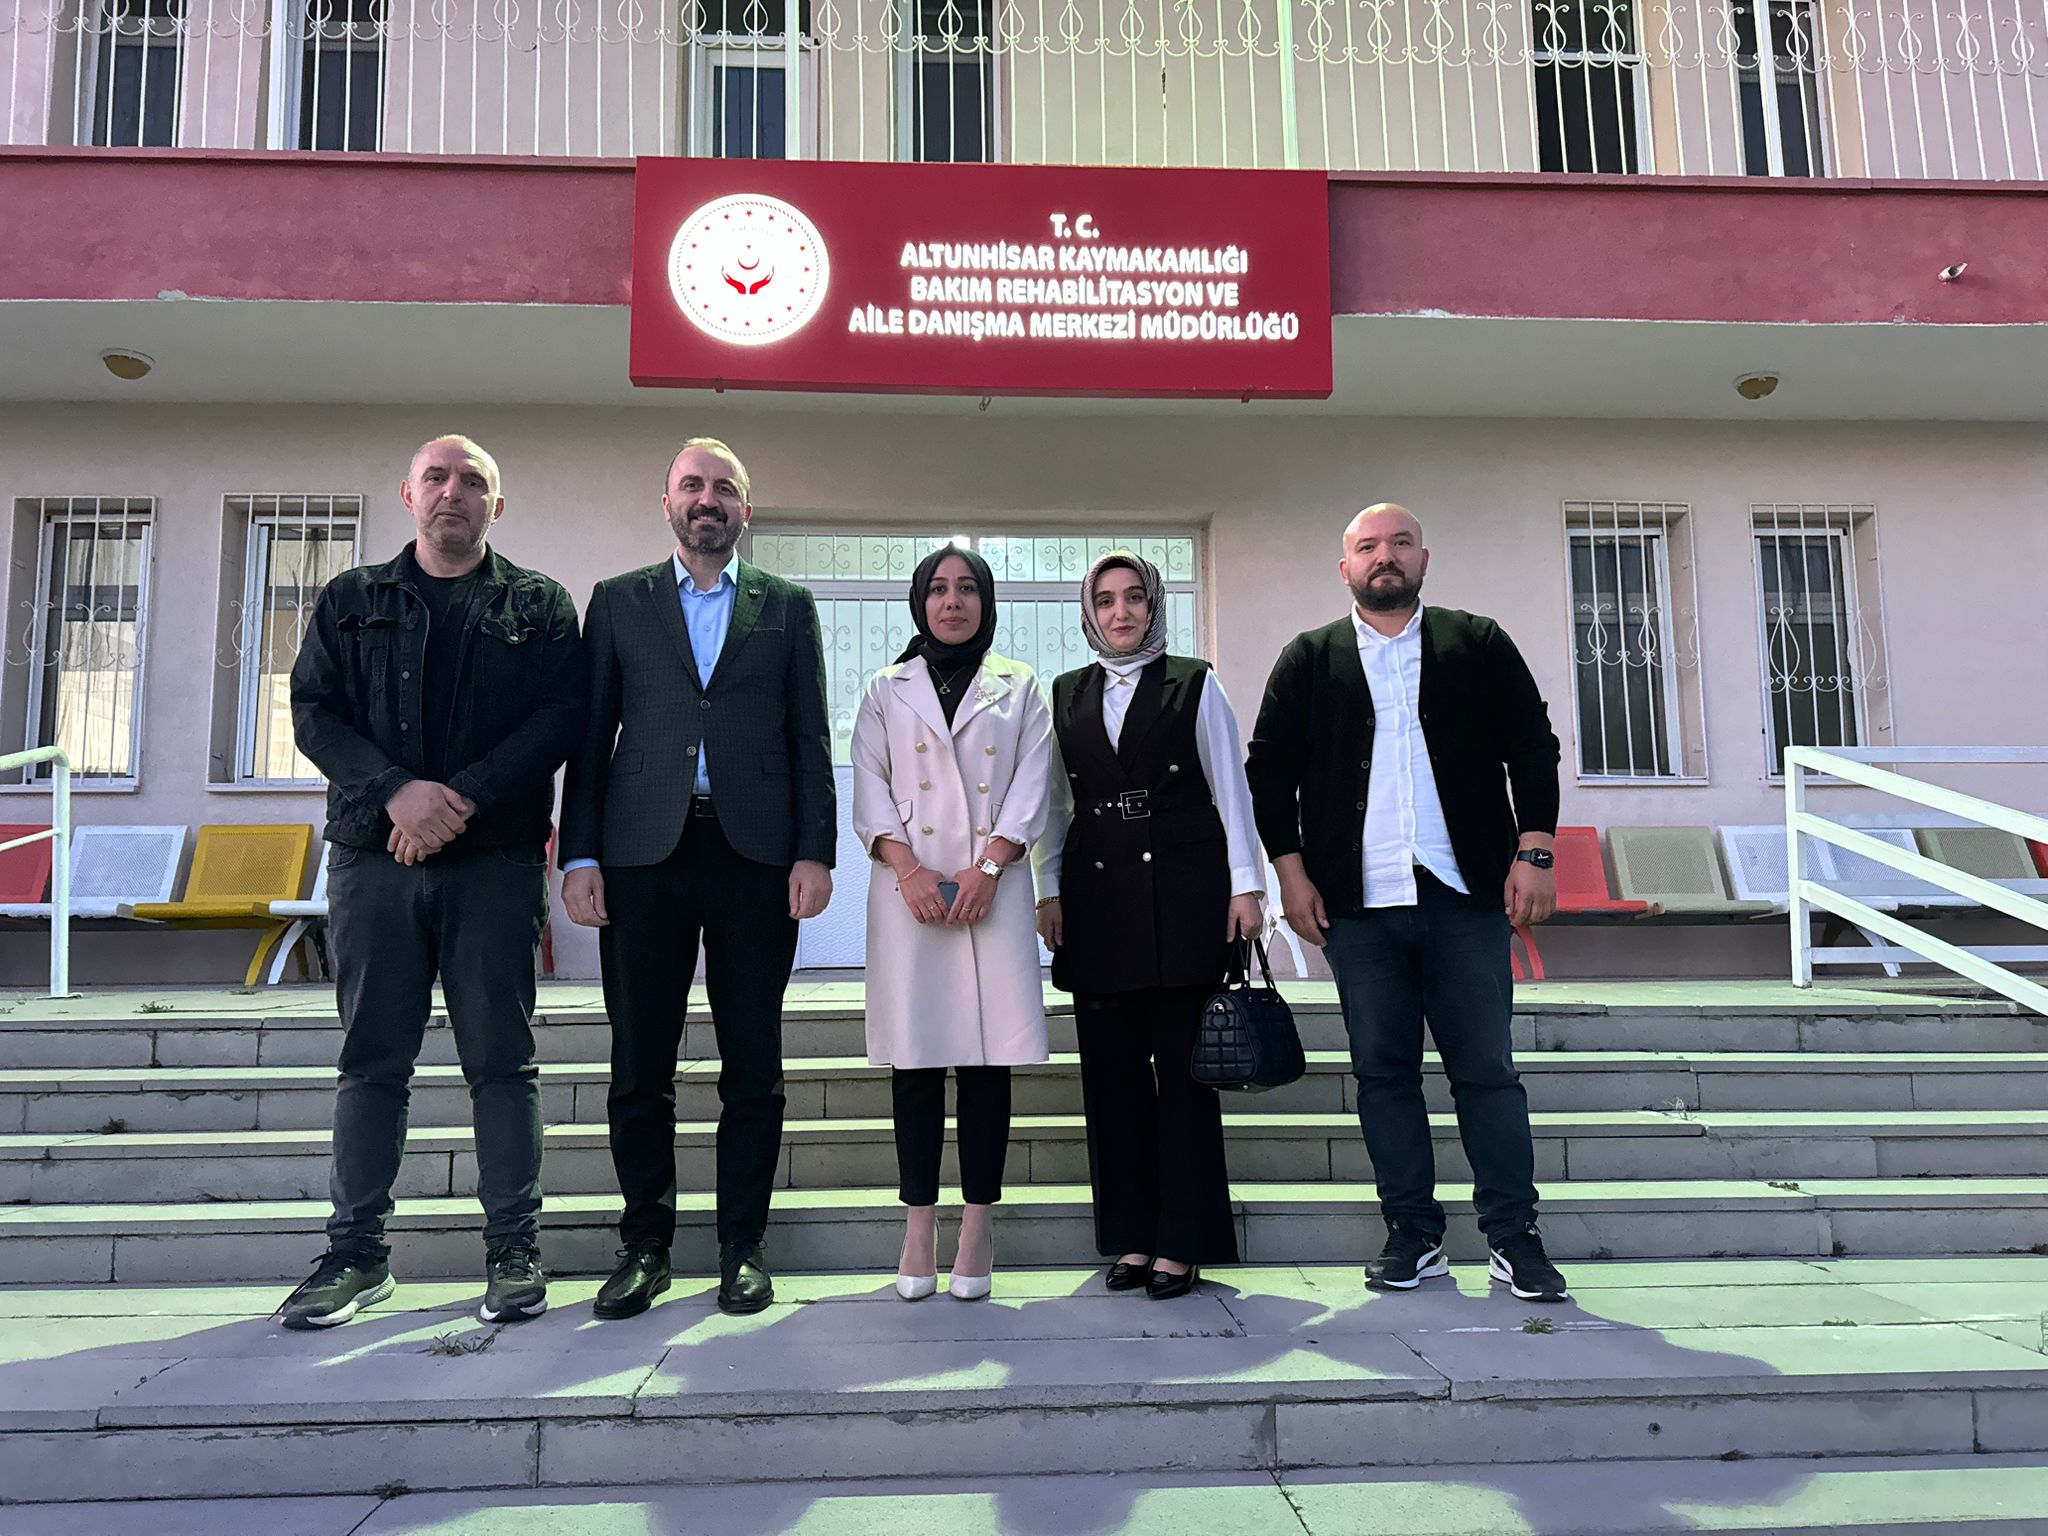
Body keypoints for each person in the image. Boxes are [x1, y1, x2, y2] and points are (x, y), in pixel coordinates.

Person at [279, 434, 585, 1329]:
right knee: (372, 1061)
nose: (455, 491)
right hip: (372, 861)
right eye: (438, 478)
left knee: (503, 1063)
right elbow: (313, 712)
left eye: (473, 481)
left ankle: (514, 1251)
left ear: (498, 504)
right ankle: (356, 1255)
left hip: (494, 864)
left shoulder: (539, 605)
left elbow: (559, 718)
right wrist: (397, 794)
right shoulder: (352, 598)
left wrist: (459, 801)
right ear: (408, 494)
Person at [1246, 503, 1571, 1302]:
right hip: (1358, 907)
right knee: (1383, 1073)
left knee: (1487, 1071)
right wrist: (1291, 874)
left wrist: (1534, 848)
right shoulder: (1310, 658)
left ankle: (1513, 1236)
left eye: (1399, 543)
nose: (1383, 556)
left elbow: (1532, 745)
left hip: (1464, 896)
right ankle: (1413, 1234)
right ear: (1345, 568)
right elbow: (1269, 772)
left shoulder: (1477, 642)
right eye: (1367, 547)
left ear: (1424, 558)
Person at [560, 437, 834, 1319]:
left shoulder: (787, 606)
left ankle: (742, 1248)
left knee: (754, 1064)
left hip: (756, 858)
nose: (706, 499)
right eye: (691, 485)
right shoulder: (618, 601)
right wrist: (580, 854)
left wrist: (815, 850)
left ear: (744, 509)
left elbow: (809, 737)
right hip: (643, 857)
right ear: (668, 503)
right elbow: (591, 737)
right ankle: (645, 1247)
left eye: (723, 488)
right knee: (640, 1064)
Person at [1033, 551, 1265, 1300]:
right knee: (1113, 1081)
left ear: (1154, 606)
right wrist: (1046, 890)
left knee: (1186, 1081)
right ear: (1089, 613)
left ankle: (1183, 1242)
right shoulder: (1066, 693)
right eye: (1105, 601)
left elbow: (1232, 789)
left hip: (1186, 896)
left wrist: (1247, 886)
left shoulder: (1194, 683)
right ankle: (1131, 1237)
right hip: (1097, 902)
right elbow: (1054, 804)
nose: (1121, 612)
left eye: (1135, 597)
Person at [850, 547, 1054, 1302]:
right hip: (909, 893)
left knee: (986, 1062)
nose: (952, 601)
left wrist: (989, 866)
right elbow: (869, 782)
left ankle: (976, 1226)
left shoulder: (1020, 684)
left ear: (986, 603)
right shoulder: (885, 687)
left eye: (968, 589)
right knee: (914, 1060)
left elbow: (1034, 783)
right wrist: (908, 869)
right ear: (919, 602)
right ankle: (917, 1228)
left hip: (990, 890)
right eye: (937, 589)